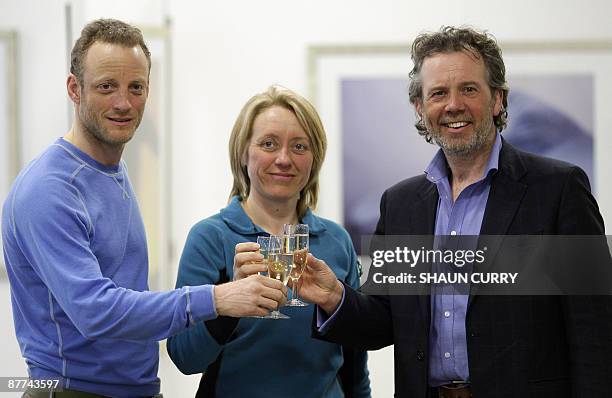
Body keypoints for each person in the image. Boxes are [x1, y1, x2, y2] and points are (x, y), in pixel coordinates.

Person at [298, 26, 612, 397]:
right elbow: (385, 322)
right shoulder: (399, 205)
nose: (453, 105)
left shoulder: (559, 189)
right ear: (420, 107)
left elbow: (595, 328)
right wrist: (335, 297)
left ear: (497, 99)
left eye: (468, 89)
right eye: (438, 93)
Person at [1, 19, 286, 398]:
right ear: (75, 89)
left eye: (136, 87)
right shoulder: (49, 189)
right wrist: (217, 298)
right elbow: (95, 311)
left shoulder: (111, 169)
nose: (123, 102)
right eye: (106, 87)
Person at [167, 85, 371, 397]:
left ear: (314, 159)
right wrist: (227, 303)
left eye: (300, 147)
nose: (284, 159)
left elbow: (355, 363)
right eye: (268, 144)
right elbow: (184, 357)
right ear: (243, 153)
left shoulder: (336, 241)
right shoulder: (211, 238)